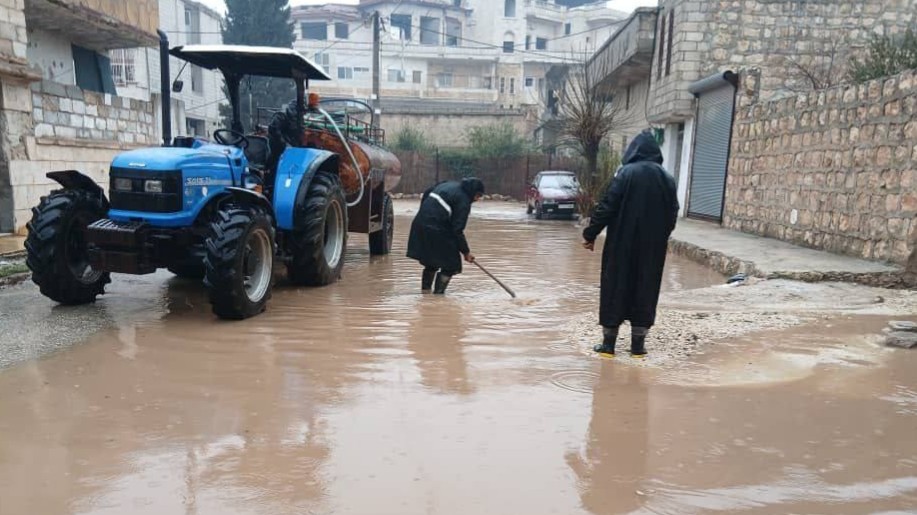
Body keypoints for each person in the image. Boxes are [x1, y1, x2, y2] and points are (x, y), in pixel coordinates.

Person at [582, 130, 678, 358]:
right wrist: (661, 236)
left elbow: (607, 206)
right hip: (652, 249)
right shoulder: (667, 178)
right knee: (646, 287)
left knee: (615, 286)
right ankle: (638, 346)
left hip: (621, 245)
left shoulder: (625, 174)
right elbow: (673, 212)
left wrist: (590, 233)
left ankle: (608, 345)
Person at [407, 177, 486, 294]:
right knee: (451, 265)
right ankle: (438, 297)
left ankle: (425, 294)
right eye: (478, 196)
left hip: (420, 223)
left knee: (431, 261)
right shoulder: (463, 200)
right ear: (473, 193)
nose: (477, 199)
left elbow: (427, 193)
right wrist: (466, 252)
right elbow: (457, 230)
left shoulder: (448, 185)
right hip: (436, 228)